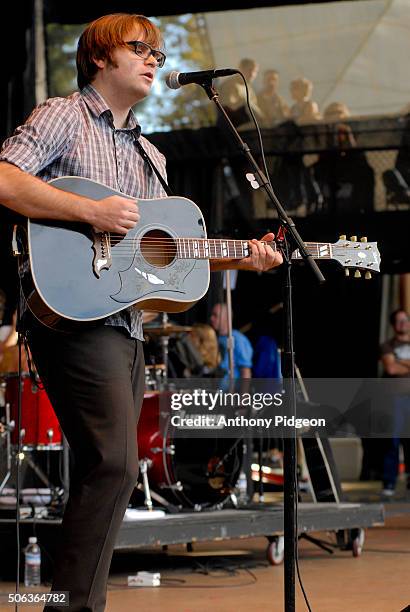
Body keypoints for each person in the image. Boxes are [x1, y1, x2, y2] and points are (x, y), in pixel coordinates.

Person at [0, 13, 282, 611]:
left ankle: (68, 603)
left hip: (124, 321)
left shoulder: (151, 155)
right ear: (101, 57)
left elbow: (157, 260)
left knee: (111, 470)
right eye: (139, 48)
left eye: (157, 51)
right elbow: (3, 178)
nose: (154, 58)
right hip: (71, 314)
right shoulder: (63, 116)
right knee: (116, 464)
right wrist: (91, 214)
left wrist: (243, 259)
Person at [379, 309, 410, 498]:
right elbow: (390, 368)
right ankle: (389, 482)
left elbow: (396, 364)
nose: (402, 324)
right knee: (393, 440)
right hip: (395, 399)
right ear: (393, 325)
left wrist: (401, 362)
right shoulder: (387, 345)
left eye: (405, 320)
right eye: (398, 321)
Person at [218, 57, 265, 129]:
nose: (252, 74)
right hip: (234, 127)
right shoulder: (230, 85)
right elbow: (227, 106)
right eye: (250, 70)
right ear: (241, 68)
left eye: (255, 71)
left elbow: (256, 108)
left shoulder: (249, 88)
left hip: (251, 125)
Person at [210, 302, 253, 379]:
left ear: (227, 318)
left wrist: (243, 391)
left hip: (232, 389)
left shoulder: (238, 339)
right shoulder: (215, 338)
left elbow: (245, 371)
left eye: (215, 315)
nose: (211, 318)